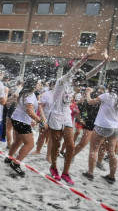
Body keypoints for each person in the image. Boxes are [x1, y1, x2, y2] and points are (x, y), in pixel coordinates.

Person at [48, 44, 108, 185]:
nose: (78, 85)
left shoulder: (77, 82)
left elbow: (91, 73)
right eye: (77, 81)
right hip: (55, 115)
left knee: (71, 146)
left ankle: (66, 172)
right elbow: (73, 70)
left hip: (66, 115)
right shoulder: (62, 81)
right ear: (73, 78)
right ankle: (54, 168)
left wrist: (104, 62)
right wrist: (86, 56)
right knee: (56, 145)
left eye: (79, 82)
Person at [82, 81, 118, 184]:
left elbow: (90, 102)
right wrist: (115, 117)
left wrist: (88, 93)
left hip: (102, 125)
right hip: (116, 128)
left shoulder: (107, 96)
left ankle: (90, 173)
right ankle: (111, 176)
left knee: (94, 149)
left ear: (110, 88)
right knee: (111, 152)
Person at [5, 77, 43, 176]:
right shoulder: (30, 95)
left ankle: (9, 158)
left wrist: (31, 119)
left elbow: (26, 110)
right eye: (38, 83)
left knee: (18, 141)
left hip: (17, 119)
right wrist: (39, 120)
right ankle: (16, 163)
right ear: (33, 85)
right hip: (21, 121)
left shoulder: (27, 93)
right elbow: (29, 111)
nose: (39, 85)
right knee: (30, 144)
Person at [31, 79, 56, 163]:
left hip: (55, 119)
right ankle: (38, 150)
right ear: (52, 85)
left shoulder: (61, 95)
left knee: (51, 137)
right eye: (55, 85)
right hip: (45, 116)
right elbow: (40, 106)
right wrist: (43, 119)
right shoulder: (46, 94)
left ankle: (48, 155)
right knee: (42, 135)